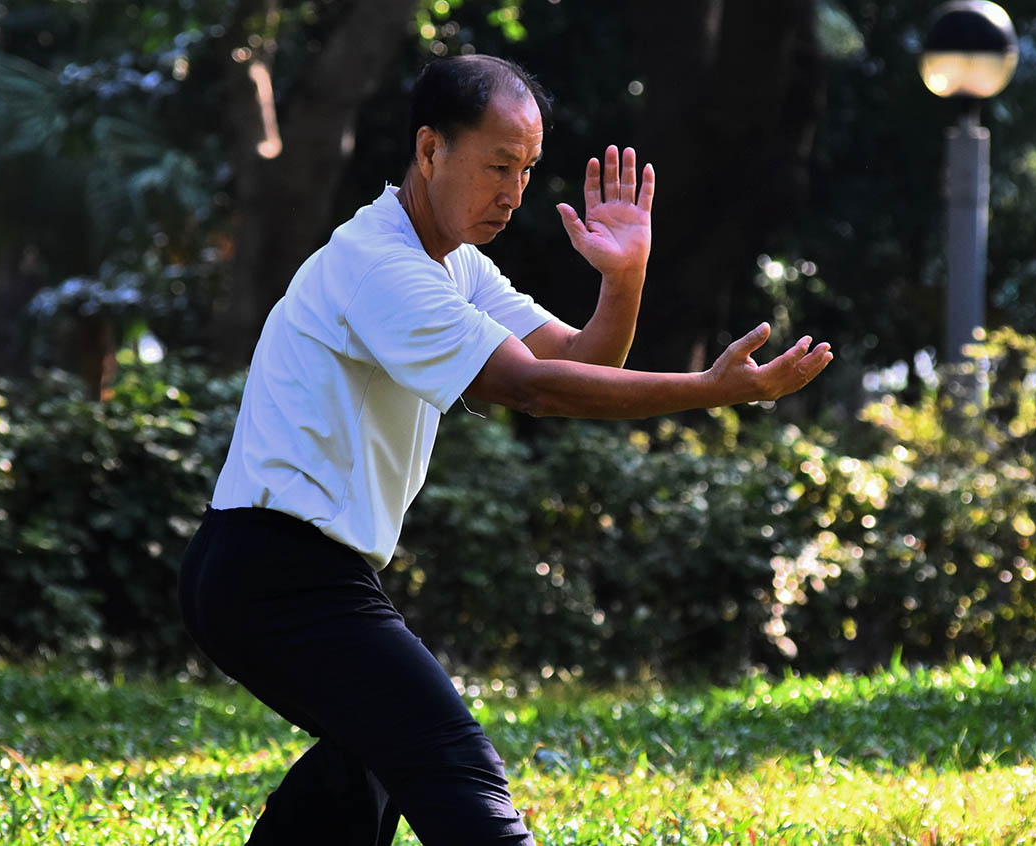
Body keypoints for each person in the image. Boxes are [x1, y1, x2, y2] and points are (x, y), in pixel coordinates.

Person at [178, 54, 832, 846]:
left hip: (284, 572)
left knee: (372, 763)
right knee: (451, 764)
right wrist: (712, 388)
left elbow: (580, 359)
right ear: (429, 151)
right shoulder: (380, 267)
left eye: (527, 168)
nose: (514, 191)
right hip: (275, 573)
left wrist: (624, 279)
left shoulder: (451, 263)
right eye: (497, 165)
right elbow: (535, 389)